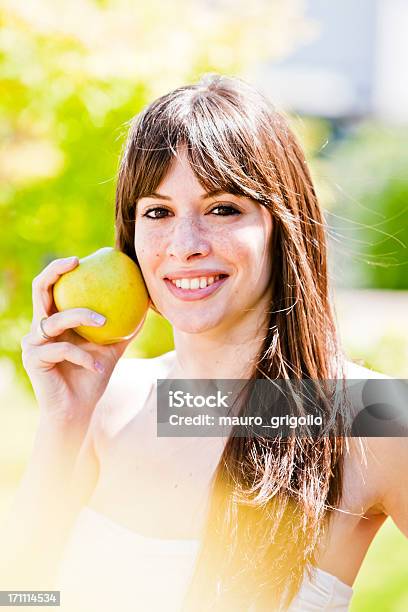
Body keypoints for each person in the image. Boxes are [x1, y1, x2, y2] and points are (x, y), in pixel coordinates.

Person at [1, 73, 407, 612]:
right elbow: (22, 597)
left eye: (222, 209)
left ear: (281, 226)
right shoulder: (110, 404)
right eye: (158, 212)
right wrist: (64, 423)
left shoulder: (370, 417)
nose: (185, 245)